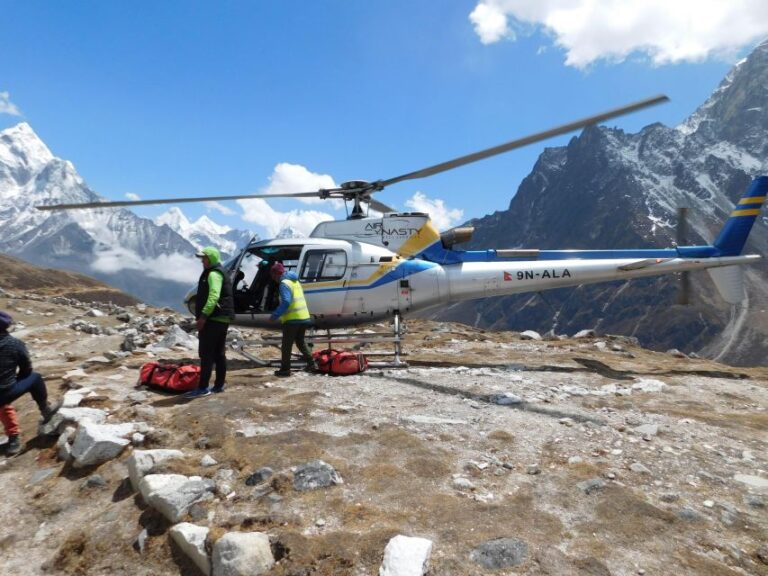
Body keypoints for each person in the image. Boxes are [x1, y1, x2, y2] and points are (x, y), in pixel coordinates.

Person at [0, 311, 61, 452]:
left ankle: (14, 439)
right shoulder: (14, 344)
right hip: (5, 392)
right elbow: (26, 369)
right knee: (35, 378)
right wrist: (12, 380)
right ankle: (45, 410)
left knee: (3, 404)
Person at [186, 246, 235, 398]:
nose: (202, 261)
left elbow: (213, 297)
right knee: (219, 353)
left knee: (206, 354)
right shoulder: (218, 272)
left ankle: (203, 388)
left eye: (204, 258)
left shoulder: (214, 274)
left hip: (213, 319)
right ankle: (218, 386)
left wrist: (203, 317)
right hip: (222, 318)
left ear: (211, 258)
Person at [269, 262, 316, 377]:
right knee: (300, 342)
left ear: (276, 274)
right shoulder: (295, 281)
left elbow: (286, 301)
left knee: (286, 345)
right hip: (304, 317)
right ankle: (312, 363)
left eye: (273, 275)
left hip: (292, 320)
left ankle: (285, 370)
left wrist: (275, 315)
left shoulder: (284, 284)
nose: (273, 278)